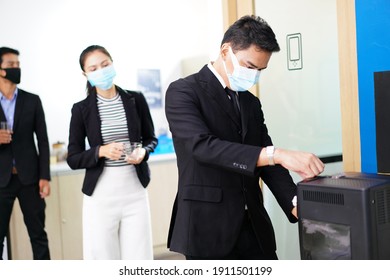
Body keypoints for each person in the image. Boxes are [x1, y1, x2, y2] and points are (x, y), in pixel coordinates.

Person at [165, 15, 325, 260]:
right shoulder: (184, 91)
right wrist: (277, 154)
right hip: (209, 228)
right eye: (250, 66)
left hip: (254, 227)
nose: (254, 75)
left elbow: (267, 159)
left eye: (261, 70)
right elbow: (203, 147)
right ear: (225, 51)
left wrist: (295, 201)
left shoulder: (250, 102)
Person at [67, 45, 158, 260]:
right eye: (94, 68)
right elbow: (73, 158)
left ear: (113, 63)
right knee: (103, 258)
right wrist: (101, 151)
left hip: (135, 191)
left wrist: (143, 153)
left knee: (140, 257)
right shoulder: (81, 109)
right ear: (85, 74)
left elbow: (151, 139)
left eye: (105, 64)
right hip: (101, 195)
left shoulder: (136, 99)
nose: (101, 70)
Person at [0, 47, 51, 260]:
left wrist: (44, 176)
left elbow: (43, 141)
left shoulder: (32, 100)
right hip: (1, 181)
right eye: (11, 65)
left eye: (18, 65)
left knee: (38, 235)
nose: (16, 68)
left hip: (29, 179)